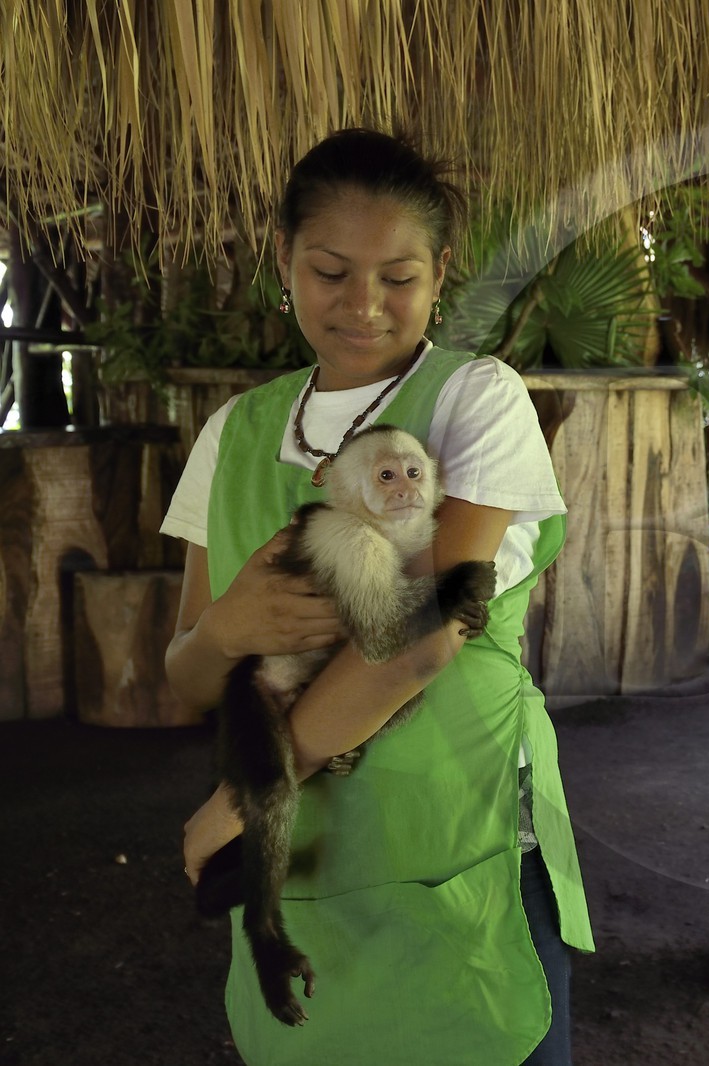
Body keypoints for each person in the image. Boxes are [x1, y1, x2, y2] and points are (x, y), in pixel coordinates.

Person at [163, 128, 591, 1065]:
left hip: (455, 856)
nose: (363, 305)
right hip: (300, 877)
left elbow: (425, 634)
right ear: (284, 260)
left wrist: (249, 795)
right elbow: (188, 677)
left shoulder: (474, 401)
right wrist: (228, 627)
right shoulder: (234, 433)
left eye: (398, 277)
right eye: (330, 270)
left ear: (441, 273)